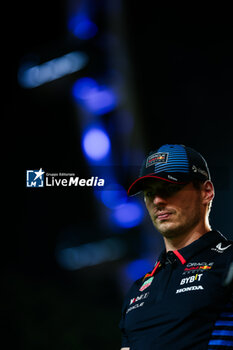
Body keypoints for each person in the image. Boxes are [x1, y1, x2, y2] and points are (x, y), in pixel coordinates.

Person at [119, 144, 233, 350]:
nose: (158, 200)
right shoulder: (137, 290)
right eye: (149, 193)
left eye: (170, 189)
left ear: (206, 192)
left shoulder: (229, 260)